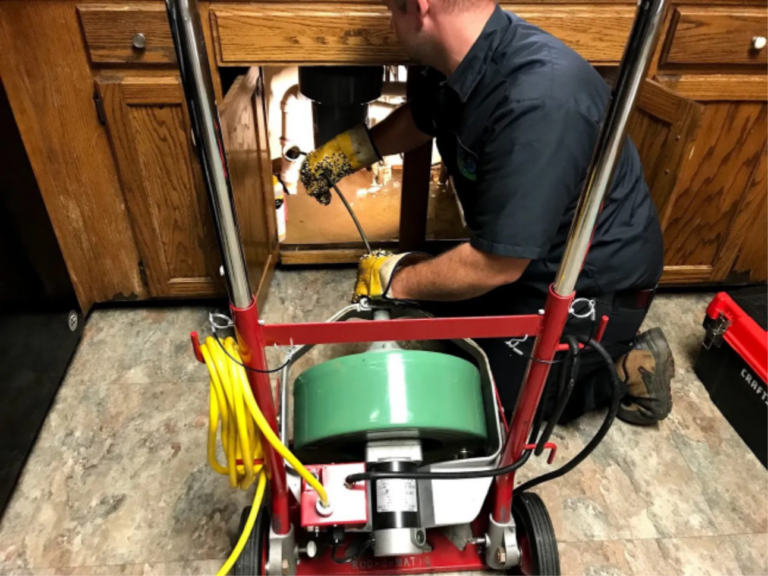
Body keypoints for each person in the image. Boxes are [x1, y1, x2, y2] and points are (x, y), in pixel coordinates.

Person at [299, 0, 674, 425]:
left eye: (391, 10)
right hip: (524, 254)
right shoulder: (456, 58)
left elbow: (494, 266)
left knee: (488, 406)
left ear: (420, 7)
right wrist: (346, 155)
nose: (388, 22)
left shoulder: (540, 102)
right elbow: (424, 118)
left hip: (588, 282)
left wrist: (396, 281)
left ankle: (625, 368)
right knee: (436, 322)